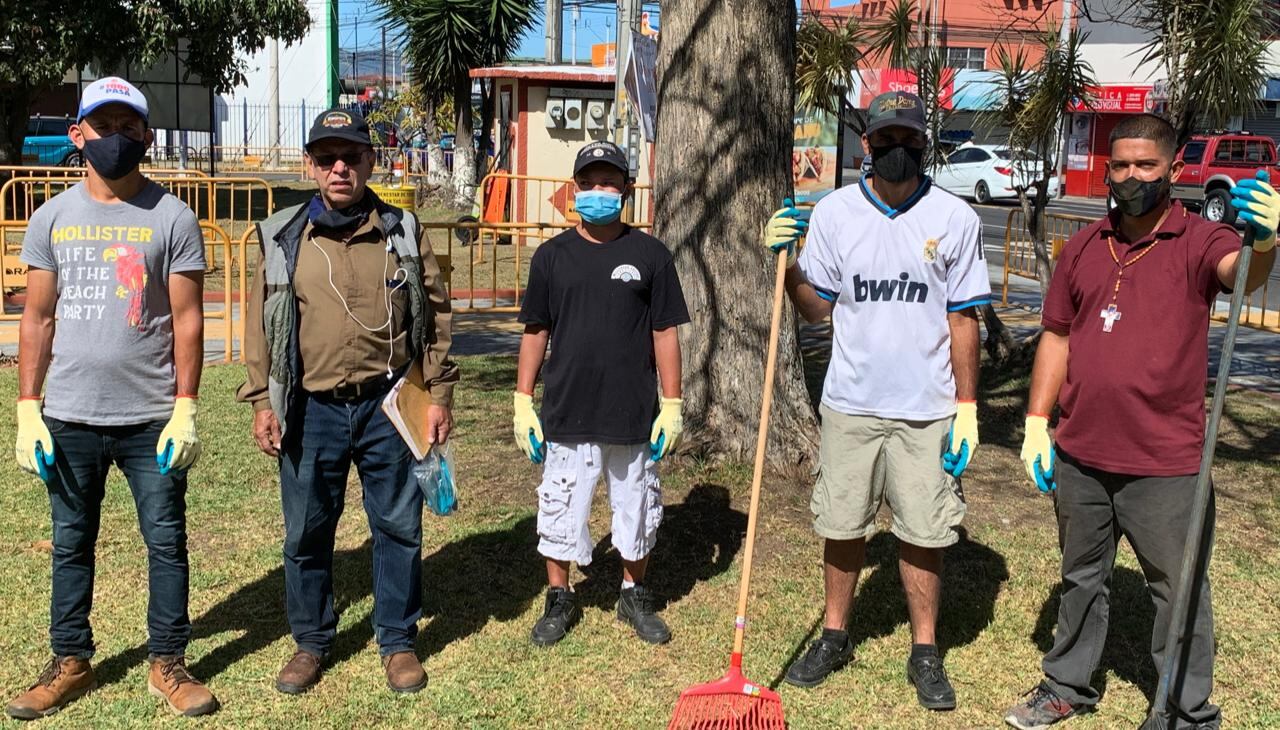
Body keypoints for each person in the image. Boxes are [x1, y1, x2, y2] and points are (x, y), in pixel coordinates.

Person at [1003, 114, 1277, 730]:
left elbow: (1242, 275)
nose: (1131, 176)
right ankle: (1065, 685)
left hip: (1166, 464)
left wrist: (1264, 243)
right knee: (1080, 579)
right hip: (1081, 455)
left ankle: (1184, 708)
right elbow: (1057, 335)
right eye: (1121, 165)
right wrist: (1037, 422)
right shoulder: (1083, 245)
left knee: (1176, 592)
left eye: (1145, 166)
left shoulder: (1200, 239)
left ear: (1173, 171)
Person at [765, 91, 990, 711]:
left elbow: (964, 317)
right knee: (842, 524)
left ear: (926, 145)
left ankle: (924, 651)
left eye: (909, 140)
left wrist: (966, 407)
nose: (897, 151)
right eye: (885, 140)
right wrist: (790, 271)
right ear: (867, 145)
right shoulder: (836, 214)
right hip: (850, 402)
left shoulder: (956, 218)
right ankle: (835, 634)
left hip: (928, 407)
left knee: (924, 531)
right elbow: (818, 312)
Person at [7, 77, 217, 719]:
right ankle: (69, 661)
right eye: (105, 126)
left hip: (150, 417)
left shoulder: (172, 216)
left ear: (147, 136)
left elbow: (186, 320)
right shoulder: (51, 218)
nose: (117, 139)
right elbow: (37, 318)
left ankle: (168, 663)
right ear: (79, 135)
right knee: (71, 540)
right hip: (68, 414)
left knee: (166, 539)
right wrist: (26, 408)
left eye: (130, 127)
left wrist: (185, 404)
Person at [237, 108, 457, 695]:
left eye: (352, 156)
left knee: (398, 524)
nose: (340, 167)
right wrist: (263, 400)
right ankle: (311, 642)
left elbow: (435, 319)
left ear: (370, 162)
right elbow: (259, 325)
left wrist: (438, 391)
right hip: (312, 411)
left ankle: (398, 639)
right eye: (327, 157)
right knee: (307, 531)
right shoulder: (283, 235)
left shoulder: (403, 231)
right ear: (311, 166)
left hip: (390, 405)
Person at [514, 140, 690, 647]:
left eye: (609, 183)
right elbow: (535, 331)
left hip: (632, 412)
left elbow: (665, 333)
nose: (598, 192)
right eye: (588, 183)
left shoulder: (650, 255)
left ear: (627, 190)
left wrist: (672, 405)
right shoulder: (551, 257)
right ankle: (560, 596)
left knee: (636, 505)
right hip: (567, 410)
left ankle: (633, 592)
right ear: (574, 191)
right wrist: (523, 400)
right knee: (560, 506)